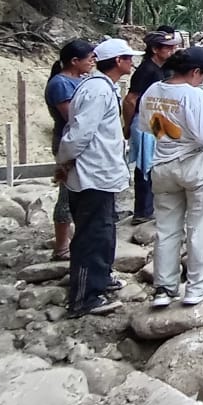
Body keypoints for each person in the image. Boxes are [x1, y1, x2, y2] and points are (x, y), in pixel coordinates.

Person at [55, 37, 135, 318]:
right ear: (117, 62)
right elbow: (78, 134)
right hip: (93, 174)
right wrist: (64, 161)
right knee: (91, 235)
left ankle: (100, 279)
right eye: (128, 58)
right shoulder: (98, 91)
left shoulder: (100, 87)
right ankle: (83, 297)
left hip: (101, 173)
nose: (131, 62)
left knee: (103, 230)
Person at [139, 47, 203, 308]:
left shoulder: (152, 92)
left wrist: (175, 136)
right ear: (196, 72)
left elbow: (149, 127)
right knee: (200, 227)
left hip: (163, 164)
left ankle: (164, 288)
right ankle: (197, 287)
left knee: (166, 229)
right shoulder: (193, 95)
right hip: (197, 165)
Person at [122, 30, 181, 224]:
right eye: (168, 47)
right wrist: (129, 125)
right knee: (145, 164)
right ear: (155, 49)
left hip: (157, 120)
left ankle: (151, 206)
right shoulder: (146, 70)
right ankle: (143, 210)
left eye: (174, 47)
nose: (173, 50)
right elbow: (131, 100)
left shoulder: (162, 68)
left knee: (155, 162)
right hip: (146, 120)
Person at [45, 39, 95, 260]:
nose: (93, 61)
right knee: (67, 193)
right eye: (89, 58)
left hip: (81, 142)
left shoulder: (80, 80)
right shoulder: (60, 84)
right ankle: (62, 246)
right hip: (68, 141)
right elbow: (73, 119)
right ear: (75, 61)